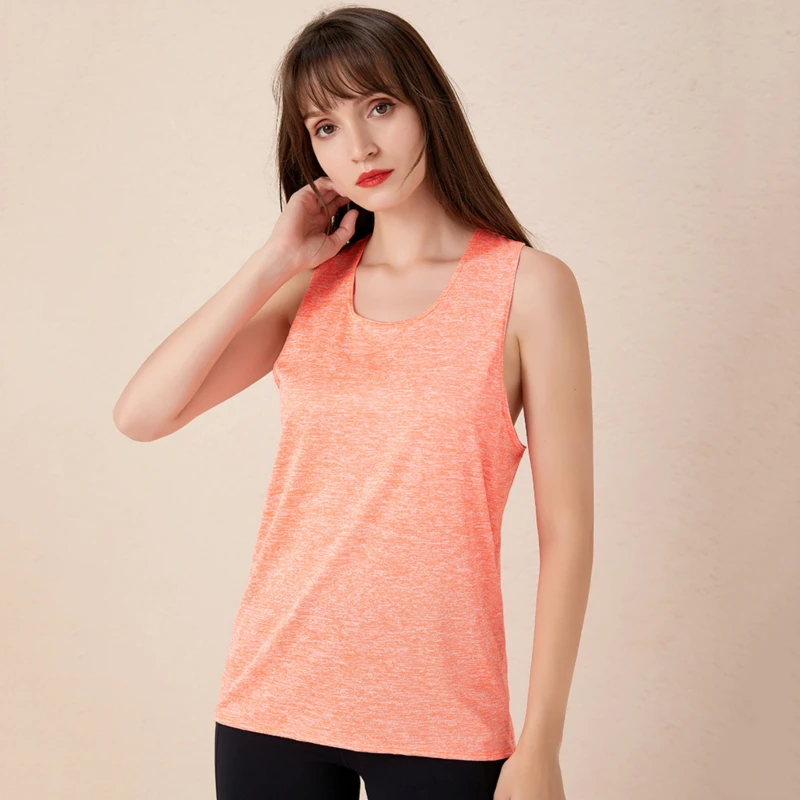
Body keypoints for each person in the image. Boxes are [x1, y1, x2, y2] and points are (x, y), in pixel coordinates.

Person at [113, 6, 593, 799]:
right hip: (273, 701)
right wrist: (273, 259)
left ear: (427, 105)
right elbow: (142, 415)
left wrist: (540, 744)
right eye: (326, 127)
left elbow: (565, 532)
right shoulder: (309, 287)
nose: (360, 147)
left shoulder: (528, 288)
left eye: (379, 106)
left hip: (443, 717)